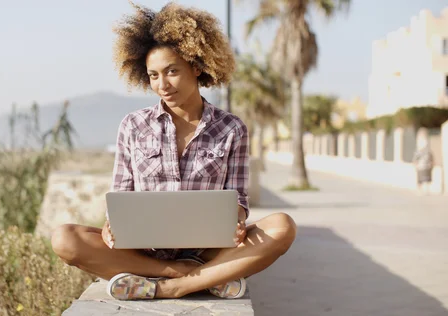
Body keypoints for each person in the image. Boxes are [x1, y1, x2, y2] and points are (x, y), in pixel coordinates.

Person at [51, 1, 297, 300]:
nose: (162, 84)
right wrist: (111, 225)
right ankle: (182, 273)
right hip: (144, 247)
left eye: (171, 71)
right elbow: (120, 194)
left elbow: (239, 198)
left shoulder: (232, 129)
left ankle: (172, 286)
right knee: (64, 238)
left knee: (282, 227)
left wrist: (237, 220)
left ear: (195, 67)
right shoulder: (133, 125)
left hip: (208, 248)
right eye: (153, 75)